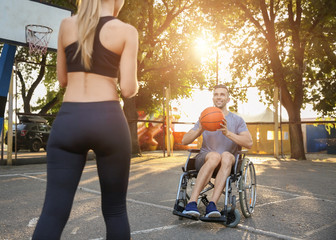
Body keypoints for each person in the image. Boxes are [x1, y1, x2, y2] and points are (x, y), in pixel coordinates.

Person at [32, 0, 138, 239]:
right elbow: (128, 89)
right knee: (115, 210)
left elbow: (62, 79)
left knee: (53, 213)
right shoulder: (126, 31)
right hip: (108, 120)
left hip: (70, 120)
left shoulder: (66, 25)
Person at [181, 84, 253, 218]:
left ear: (228, 99)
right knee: (214, 156)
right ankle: (192, 203)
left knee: (225, 155)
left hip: (228, 162)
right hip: (206, 159)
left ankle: (212, 204)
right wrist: (200, 130)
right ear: (213, 98)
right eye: (216, 94)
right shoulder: (205, 117)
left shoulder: (237, 120)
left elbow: (249, 143)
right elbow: (184, 140)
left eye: (222, 94)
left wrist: (227, 133)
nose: (219, 97)